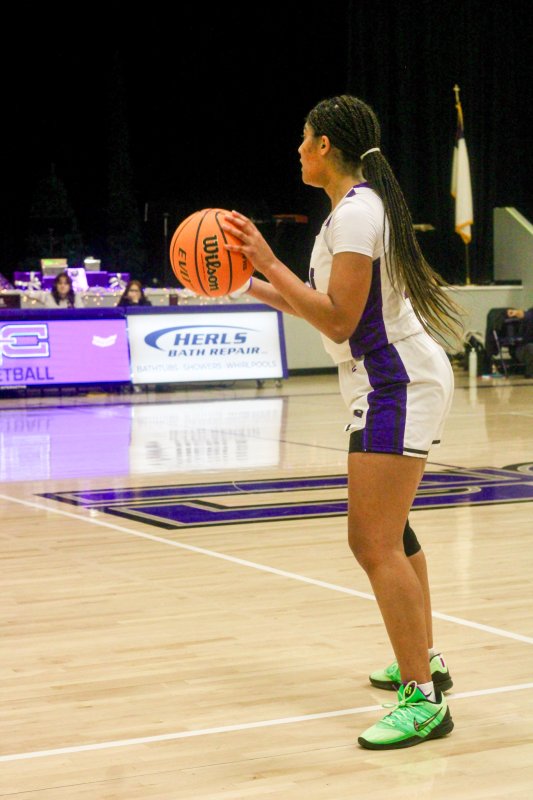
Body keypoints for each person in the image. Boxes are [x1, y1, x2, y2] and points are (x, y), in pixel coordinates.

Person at [221, 95, 463, 750]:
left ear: (324, 145)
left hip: (395, 382)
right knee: (394, 533)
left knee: (371, 541)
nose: (296, 150)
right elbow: (322, 310)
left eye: (302, 139)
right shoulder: (349, 215)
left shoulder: (357, 216)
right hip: (382, 380)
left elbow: (338, 321)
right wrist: (243, 285)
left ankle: (423, 700)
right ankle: (424, 659)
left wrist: (267, 260)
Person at [506, 307, 533, 377]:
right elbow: (525, 315)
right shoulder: (530, 314)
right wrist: (516, 312)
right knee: (531, 348)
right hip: (523, 349)